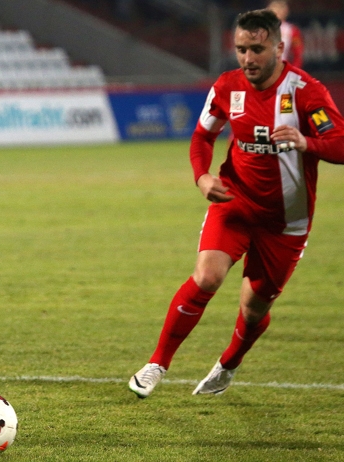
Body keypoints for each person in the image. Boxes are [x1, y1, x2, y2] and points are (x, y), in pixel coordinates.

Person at [129, 8, 344, 399]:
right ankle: (157, 362)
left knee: (253, 309)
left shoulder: (306, 92)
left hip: (286, 222)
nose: (248, 59)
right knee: (207, 277)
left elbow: (341, 144)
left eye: (257, 49)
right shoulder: (228, 87)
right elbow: (201, 137)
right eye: (241, 49)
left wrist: (306, 142)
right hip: (235, 201)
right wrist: (203, 177)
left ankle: (228, 363)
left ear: (280, 48)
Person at [268, 0, 303, 68]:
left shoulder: (292, 30)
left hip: (282, 70)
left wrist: (293, 71)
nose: (277, 12)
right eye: (275, 9)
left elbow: (297, 55)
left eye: (280, 9)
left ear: (286, 11)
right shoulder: (262, 28)